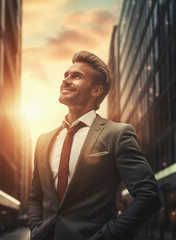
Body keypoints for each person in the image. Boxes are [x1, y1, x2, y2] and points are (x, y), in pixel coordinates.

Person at [28, 51, 162, 240]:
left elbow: (149, 197)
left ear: (96, 90)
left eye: (76, 76)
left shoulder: (117, 134)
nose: (66, 80)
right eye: (66, 75)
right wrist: (36, 229)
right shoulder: (43, 140)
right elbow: (36, 197)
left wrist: (107, 236)